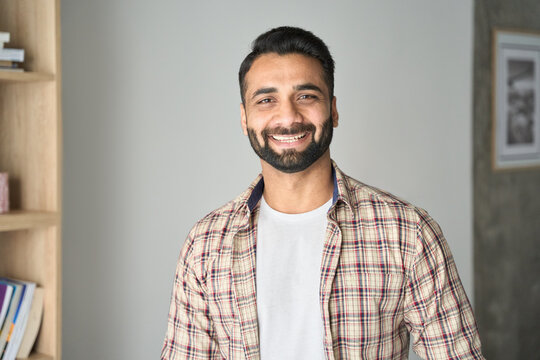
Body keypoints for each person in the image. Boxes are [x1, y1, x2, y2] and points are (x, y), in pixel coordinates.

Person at [161, 26, 484, 360]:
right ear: (244, 118)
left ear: (333, 109)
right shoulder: (205, 245)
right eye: (266, 100)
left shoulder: (408, 234)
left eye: (306, 96)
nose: (288, 116)